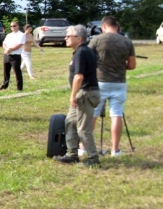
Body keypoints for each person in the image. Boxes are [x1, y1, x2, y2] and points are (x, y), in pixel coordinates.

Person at [90, 16, 137, 157]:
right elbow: (132, 65)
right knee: (116, 115)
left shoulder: (97, 40)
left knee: (92, 114)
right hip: (119, 83)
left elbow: (87, 59)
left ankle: (83, 146)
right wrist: (121, 66)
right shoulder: (127, 41)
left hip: (99, 82)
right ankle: (115, 149)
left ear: (103, 26)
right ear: (117, 27)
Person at [55, 25, 101, 166]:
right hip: (84, 93)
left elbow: (79, 77)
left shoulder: (81, 52)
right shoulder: (82, 51)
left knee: (83, 129)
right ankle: (72, 154)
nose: (66, 38)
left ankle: (93, 159)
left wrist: (73, 95)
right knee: (70, 122)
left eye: (68, 36)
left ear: (79, 38)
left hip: (85, 93)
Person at [0, 20, 26, 91]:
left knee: (17, 72)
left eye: (14, 26)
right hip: (7, 55)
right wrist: (7, 49)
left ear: (18, 26)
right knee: (6, 72)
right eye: (11, 26)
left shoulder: (21, 35)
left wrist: (10, 49)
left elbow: (20, 45)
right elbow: (4, 43)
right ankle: (5, 85)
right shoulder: (9, 35)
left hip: (15, 56)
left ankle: (19, 88)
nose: (12, 27)